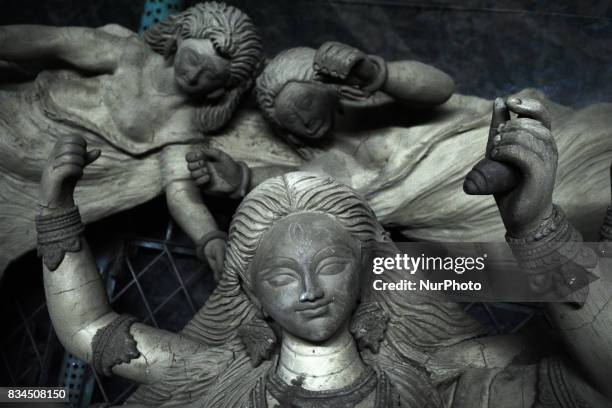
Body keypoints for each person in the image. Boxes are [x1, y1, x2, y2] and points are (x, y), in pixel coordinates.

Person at [37, 117, 612, 405]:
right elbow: (87, 328)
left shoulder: (443, 375)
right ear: (253, 294)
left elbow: (600, 380)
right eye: (283, 277)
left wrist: (533, 225)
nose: (309, 289)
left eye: (331, 266)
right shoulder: (209, 372)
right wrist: (57, 206)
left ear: (367, 275)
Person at [187, 46, 612, 247]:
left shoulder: (383, 101)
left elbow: (438, 88)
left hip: (473, 145)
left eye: (307, 106)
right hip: (461, 207)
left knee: (582, 145)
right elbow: (291, 183)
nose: (305, 122)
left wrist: (376, 71)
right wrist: (242, 178)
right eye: (293, 122)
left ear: (332, 92)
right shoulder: (326, 166)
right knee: (573, 205)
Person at [0, 1, 263, 278]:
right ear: (179, 38)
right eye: (194, 60)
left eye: (209, 74)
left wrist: (209, 237)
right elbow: (51, 41)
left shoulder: (184, 127)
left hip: (52, 166)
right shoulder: (131, 54)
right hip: (23, 114)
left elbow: (181, 192)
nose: (195, 75)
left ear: (221, 88)